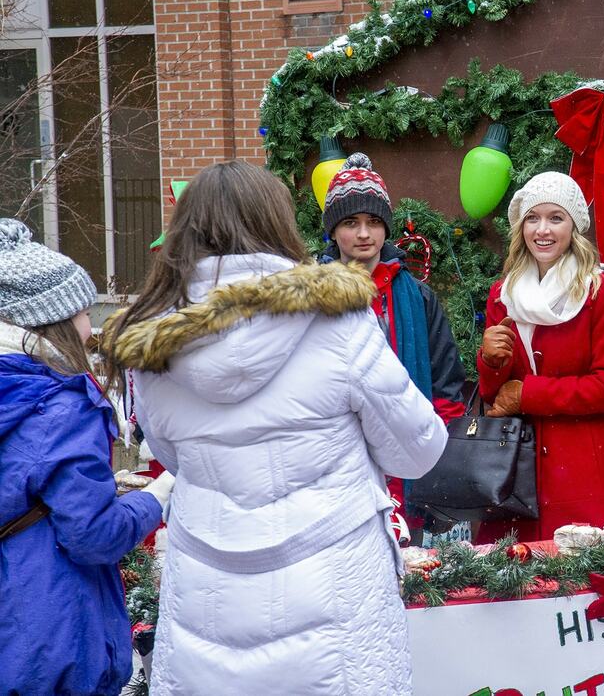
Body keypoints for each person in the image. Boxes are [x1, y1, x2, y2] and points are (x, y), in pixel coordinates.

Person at [101, 160, 447, 695]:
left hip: (207, 592)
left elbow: (172, 453)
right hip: (335, 587)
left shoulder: (152, 341)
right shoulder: (338, 317)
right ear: (276, 223)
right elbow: (417, 449)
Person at [0, 218, 172, 696]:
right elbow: (94, 536)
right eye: (82, 309)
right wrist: (158, 495)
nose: (91, 323)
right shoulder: (60, 404)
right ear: (50, 317)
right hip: (51, 634)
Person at [475, 172, 604, 544]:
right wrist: (491, 361)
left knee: (588, 581)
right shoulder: (504, 294)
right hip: (516, 475)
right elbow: (493, 397)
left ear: (574, 227)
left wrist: (528, 395)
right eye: (533, 218)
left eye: (555, 218)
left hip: (585, 472)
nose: (542, 230)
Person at [318, 152, 466, 544]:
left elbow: (445, 377)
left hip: (408, 466)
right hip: (336, 461)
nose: (364, 234)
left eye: (373, 222)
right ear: (333, 232)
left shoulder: (417, 297)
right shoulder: (311, 299)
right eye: (351, 223)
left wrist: (431, 446)